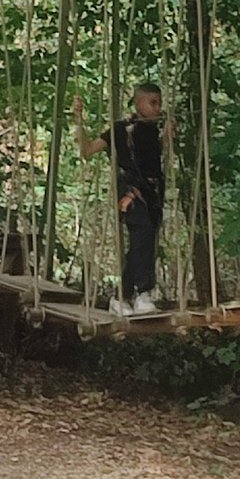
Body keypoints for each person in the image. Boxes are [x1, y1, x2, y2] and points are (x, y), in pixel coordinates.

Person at [73, 83, 173, 316]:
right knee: (144, 233)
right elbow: (87, 151)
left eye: (159, 102)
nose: (158, 108)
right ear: (138, 104)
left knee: (144, 241)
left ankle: (121, 296)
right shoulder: (120, 130)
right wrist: (79, 120)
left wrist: (166, 137)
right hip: (131, 191)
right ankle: (143, 292)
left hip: (152, 192)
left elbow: (153, 157)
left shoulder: (153, 130)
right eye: (153, 103)